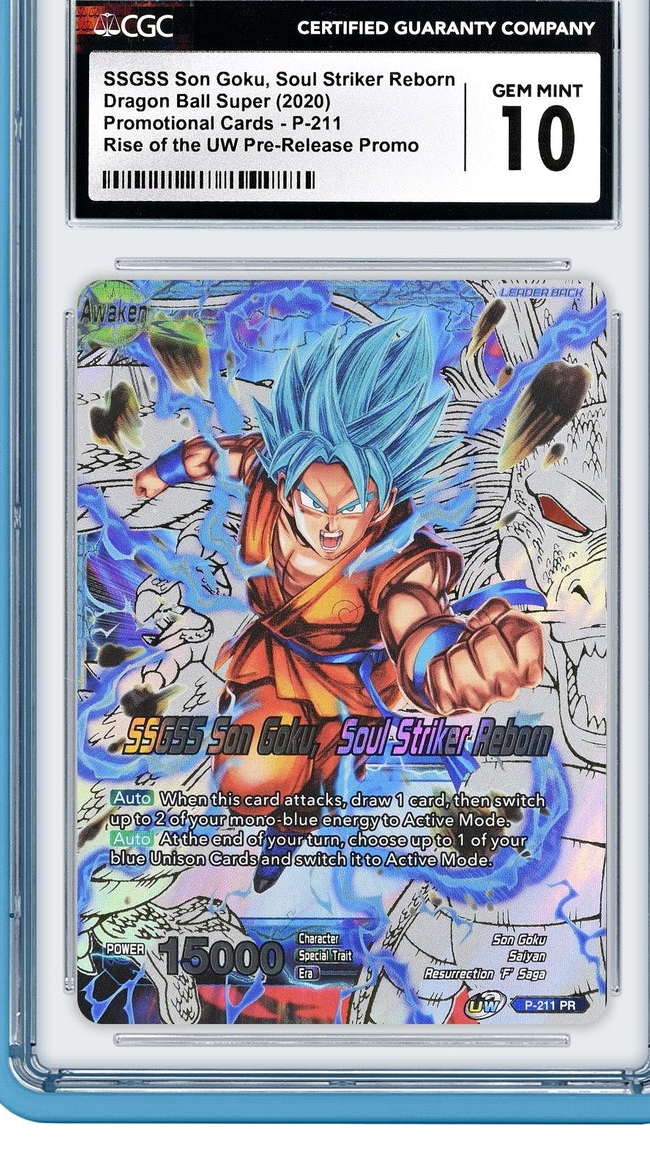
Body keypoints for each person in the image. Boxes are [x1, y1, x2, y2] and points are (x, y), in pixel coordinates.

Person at [133, 320, 543, 888]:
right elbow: (216, 458)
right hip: (278, 659)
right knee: (249, 781)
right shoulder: (269, 475)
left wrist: (447, 665)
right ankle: (287, 807)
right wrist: (161, 472)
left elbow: (413, 615)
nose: (329, 527)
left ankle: (299, 817)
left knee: (316, 770)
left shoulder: (397, 556)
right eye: (312, 502)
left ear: (382, 503)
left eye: (351, 507)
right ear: (287, 484)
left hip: (352, 682)